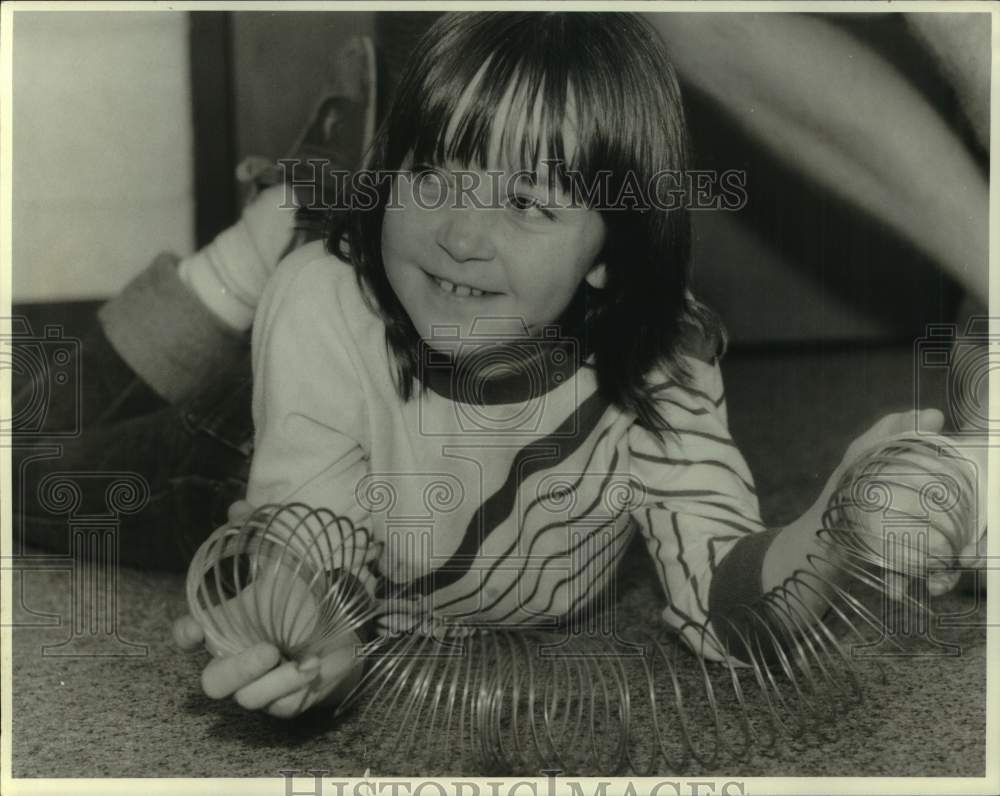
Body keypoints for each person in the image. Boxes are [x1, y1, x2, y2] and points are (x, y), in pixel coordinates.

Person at [12, 11, 956, 721]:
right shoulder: (327, 311)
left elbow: (720, 586)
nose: (462, 235)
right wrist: (308, 619)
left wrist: (833, 541)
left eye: (531, 205)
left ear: (609, 253)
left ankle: (325, 199)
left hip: (375, 373)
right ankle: (307, 210)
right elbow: (311, 531)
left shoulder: (661, 358)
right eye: (432, 177)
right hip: (242, 446)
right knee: (36, 467)